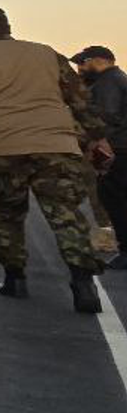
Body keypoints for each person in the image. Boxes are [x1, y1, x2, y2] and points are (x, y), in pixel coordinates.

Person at [0, 7, 113, 312]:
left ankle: (15, 279)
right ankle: (83, 284)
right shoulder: (47, 54)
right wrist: (98, 138)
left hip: (1, 147)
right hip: (56, 145)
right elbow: (80, 100)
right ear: (9, 27)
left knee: (6, 215)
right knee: (65, 214)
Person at [72, 45, 127, 269]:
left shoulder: (108, 82)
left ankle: (125, 251)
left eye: (83, 63)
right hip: (119, 149)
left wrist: (96, 143)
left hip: (116, 150)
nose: (80, 68)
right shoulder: (117, 79)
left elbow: (107, 116)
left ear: (98, 60)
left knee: (114, 200)